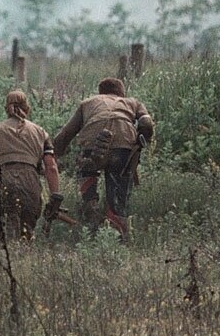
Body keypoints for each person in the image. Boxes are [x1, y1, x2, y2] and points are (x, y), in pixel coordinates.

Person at [53, 77, 153, 240]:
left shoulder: (88, 103)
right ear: (121, 92)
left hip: (91, 144)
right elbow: (146, 122)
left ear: (100, 93)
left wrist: (53, 154)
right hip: (123, 146)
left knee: (87, 172)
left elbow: (67, 133)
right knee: (118, 194)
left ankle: (90, 205)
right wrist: (143, 139)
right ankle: (116, 230)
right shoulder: (132, 102)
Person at [0, 90, 61, 241]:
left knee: (4, 234)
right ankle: (24, 260)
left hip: (1, 180)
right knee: (26, 234)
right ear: (27, 108)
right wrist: (55, 198)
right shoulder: (40, 132)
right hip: (30, 182)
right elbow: (51, 167)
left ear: (6, 109)